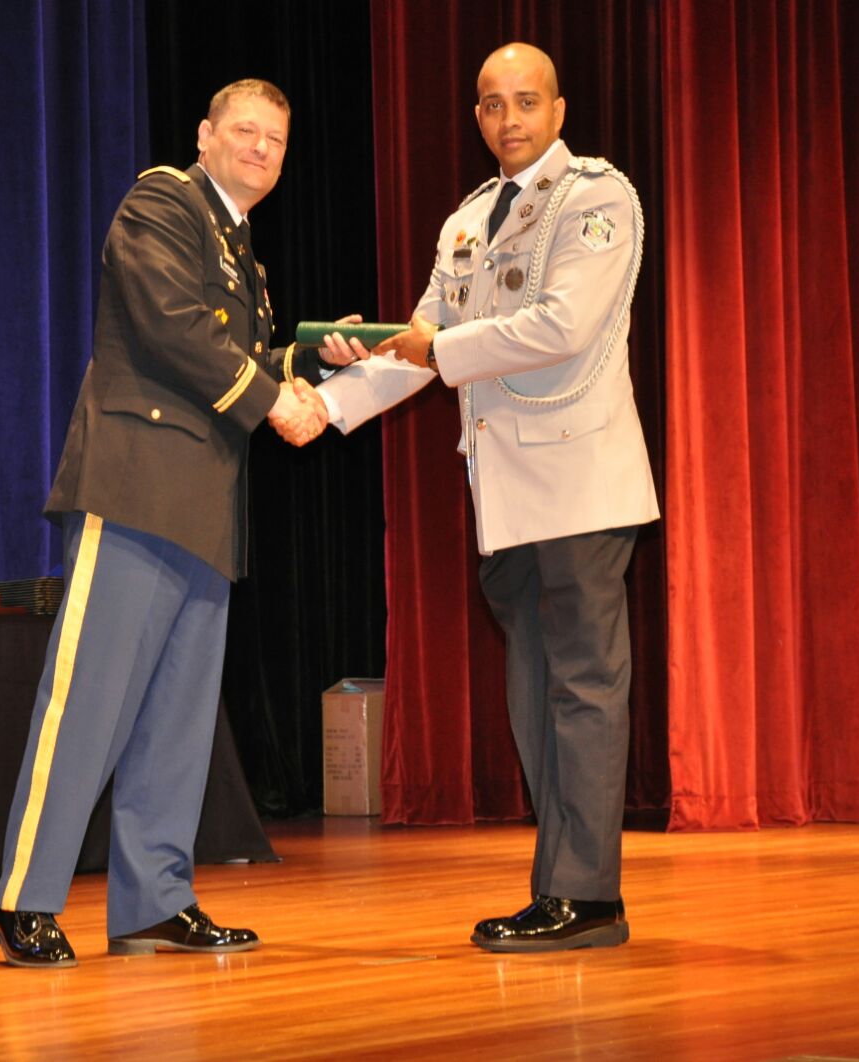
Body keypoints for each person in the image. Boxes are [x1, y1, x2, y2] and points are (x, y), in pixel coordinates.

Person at [0, 78, 339, 967]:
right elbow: (175, 325)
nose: (260, 149)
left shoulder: (241, 248)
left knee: (175, 719)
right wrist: (272, 400)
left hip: (206, 504)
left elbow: (238, 353)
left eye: (276, 140)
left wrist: (315, 359)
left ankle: (154, 900)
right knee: (87, 702)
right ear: (205, 134)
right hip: (137, 487)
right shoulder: (164, 201)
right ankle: (24, 900)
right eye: (245, 131)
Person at [319, 43, 658, 951]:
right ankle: (559, 890)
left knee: (584, 688)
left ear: (558, 109)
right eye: (493, 105)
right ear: (477, 117)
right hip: (504, 495)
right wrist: (326, 403)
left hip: (581, 487)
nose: (509, 119)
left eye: (526, 101)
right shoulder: (468, 220)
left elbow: (560, 326)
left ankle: (589, 898)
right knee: (535, 693)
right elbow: (422, 337)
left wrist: (431, 348)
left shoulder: (597, 197)